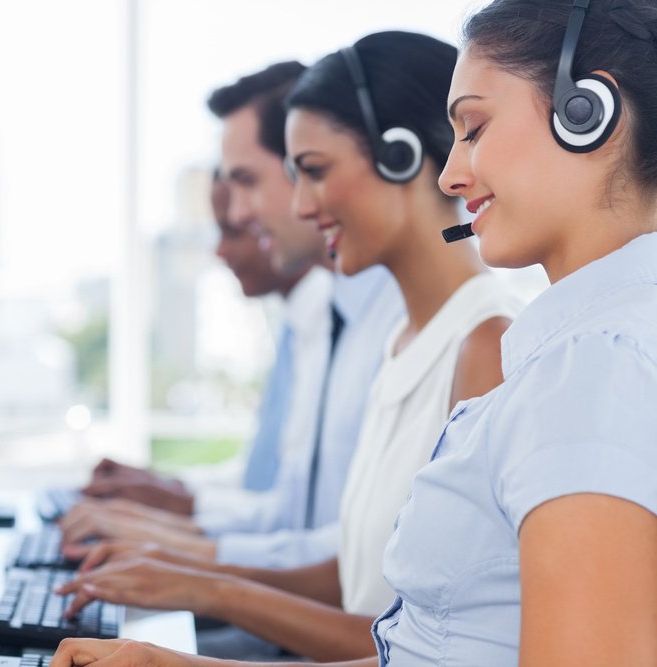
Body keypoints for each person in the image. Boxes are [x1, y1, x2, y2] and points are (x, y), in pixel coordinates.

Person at [49, 1, 657, 665]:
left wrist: (202, 590)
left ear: (587, 111)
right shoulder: (569, 355)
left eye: (474, 127)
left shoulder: (594, 364)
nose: (453, 173)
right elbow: (419, 649)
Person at [61, 60, 404, 573]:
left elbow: (363, 570)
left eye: (248, 182)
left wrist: (171, 547)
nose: (240, 215)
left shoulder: (403, 327)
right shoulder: (336, 317)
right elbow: (292, 508)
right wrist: (163, 522)